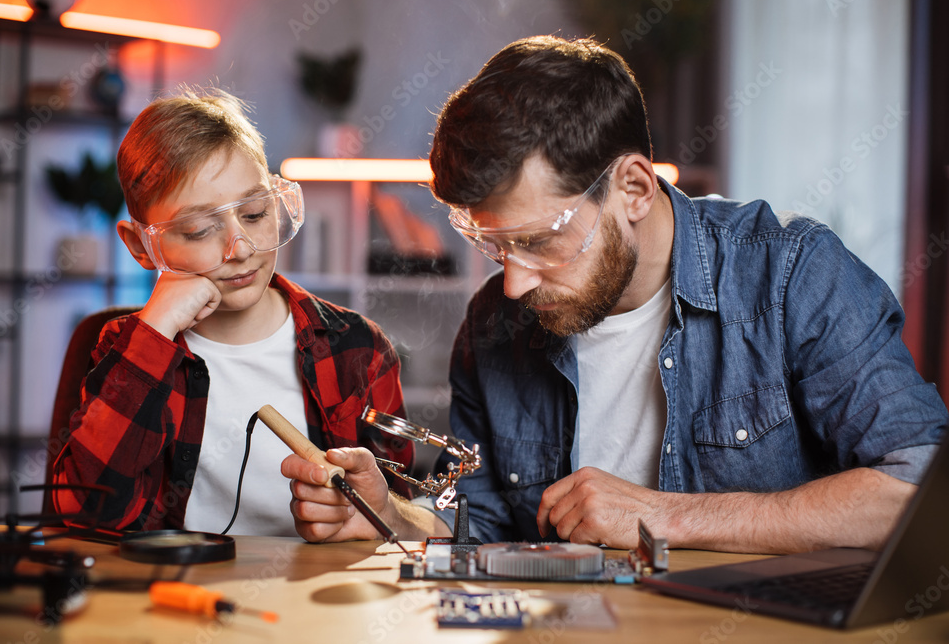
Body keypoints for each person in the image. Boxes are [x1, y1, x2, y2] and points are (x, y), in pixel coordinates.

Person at [283, 36, 947, 553]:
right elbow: (482, 524)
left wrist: (667, 515)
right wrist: (387, 512)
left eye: (539, 239)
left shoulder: (792, 274)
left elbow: (923, 488)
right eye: (493, 246)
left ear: (632, 187)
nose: (513, 282)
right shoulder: (492, 324)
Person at [52, 87, 414, 535]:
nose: (240, 248)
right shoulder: (123, 348)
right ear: (140, 247)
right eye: (200, 229)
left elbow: (400, 523)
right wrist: (154, 334)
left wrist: (371, 517)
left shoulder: (359, 350)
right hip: (176, 597)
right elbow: (86, 513)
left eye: (256, 213)